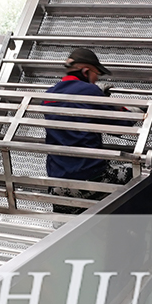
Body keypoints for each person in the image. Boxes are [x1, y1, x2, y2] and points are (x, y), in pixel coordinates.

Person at [43, 48, 115, 212]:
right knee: (136, 177)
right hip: (89, 179)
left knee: (67, 223)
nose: (96, 80)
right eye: (96, 74)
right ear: (85, 71)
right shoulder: (89, 91)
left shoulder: (49, 94)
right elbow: (121, 123)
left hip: (57, 182)